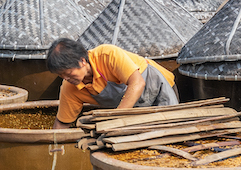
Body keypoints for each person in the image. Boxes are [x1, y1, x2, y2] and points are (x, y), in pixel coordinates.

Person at [47, 39, 178, 129]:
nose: (66, 78)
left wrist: (116, 120)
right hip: (131, 108)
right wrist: (53, 145)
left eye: (68, 73)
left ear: (82, 61)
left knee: (172, 129)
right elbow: (63, 122)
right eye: (61, 75)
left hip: (156, 87)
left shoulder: (107, 55)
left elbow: (137, 83)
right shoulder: (69, 88)